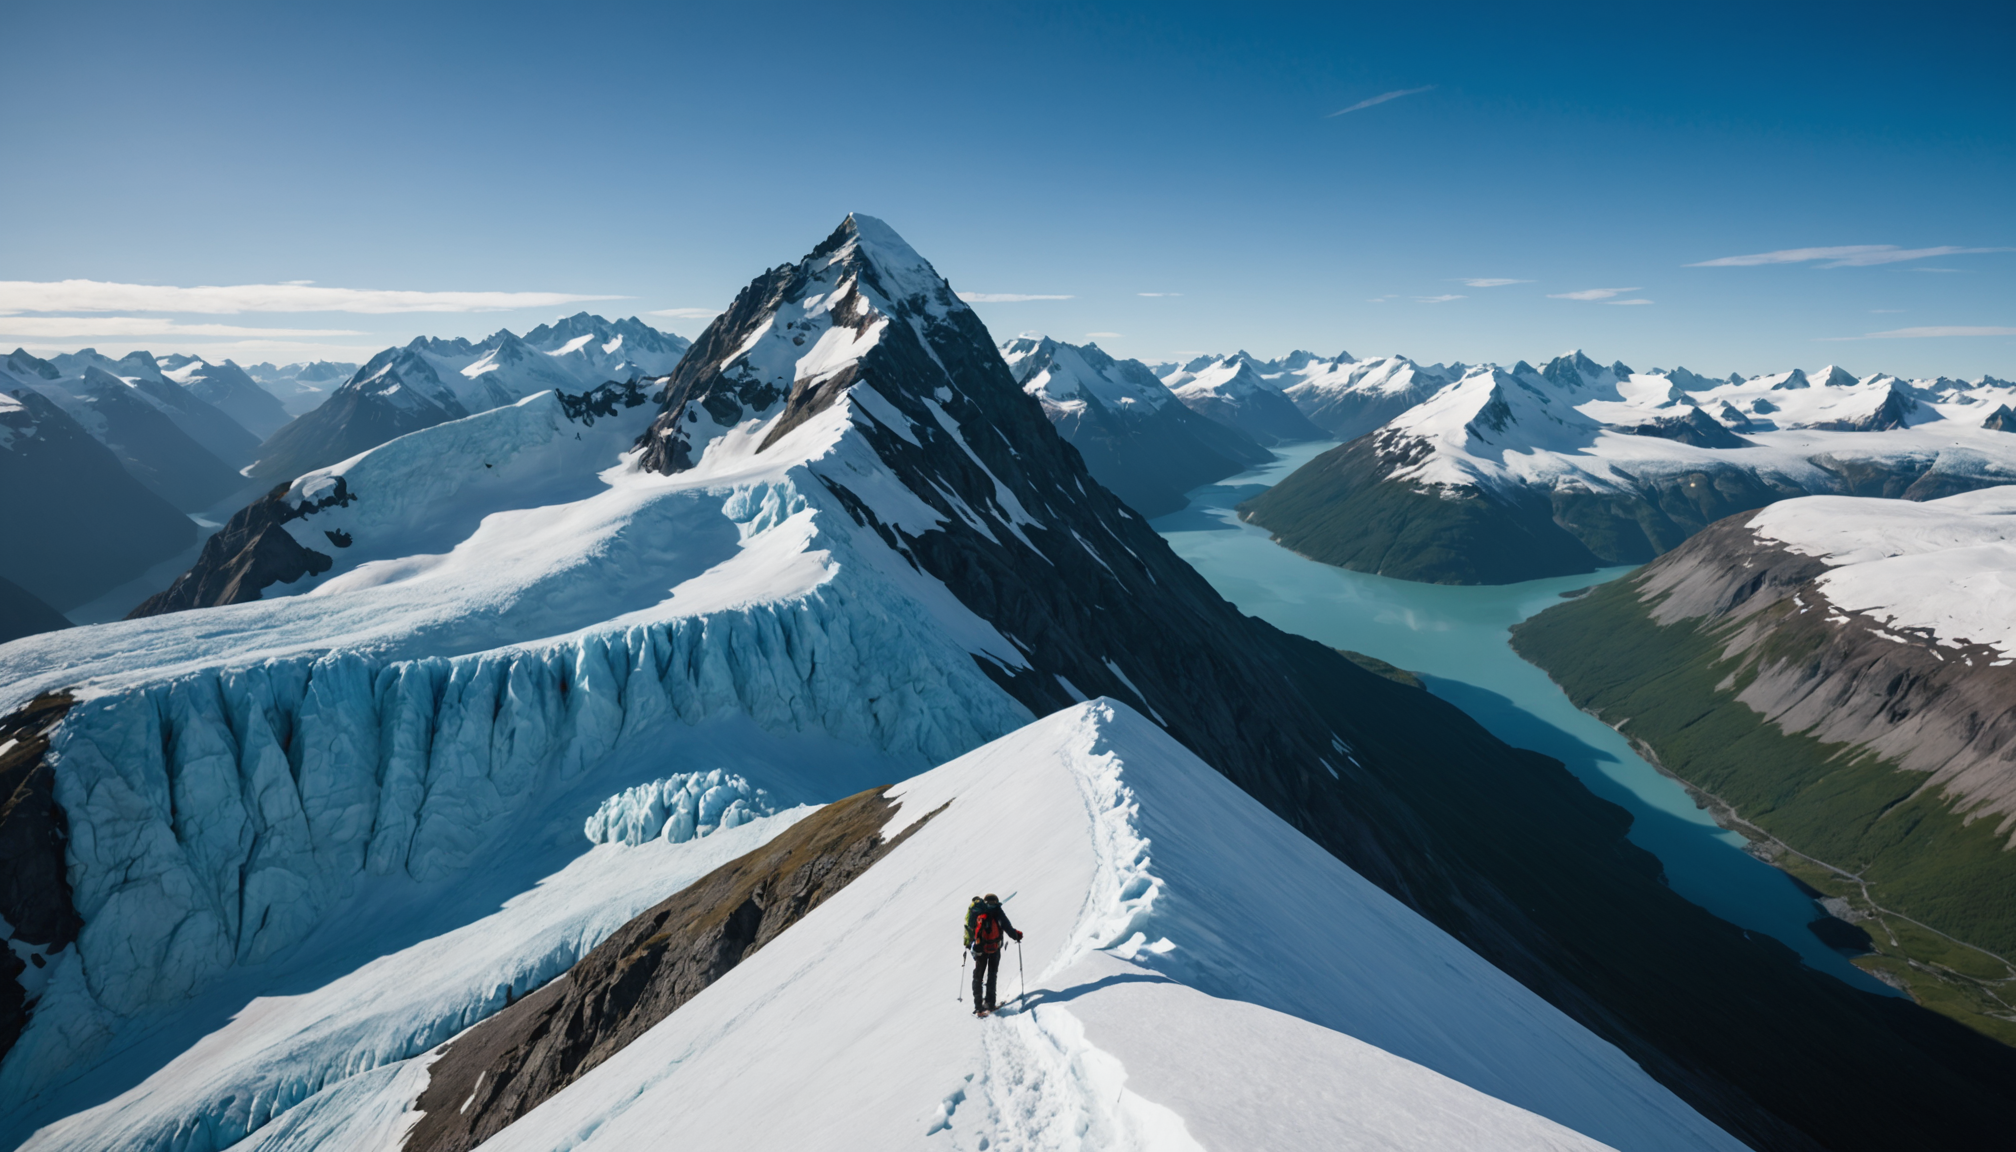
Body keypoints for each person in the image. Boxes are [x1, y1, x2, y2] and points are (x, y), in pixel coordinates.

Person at [964, 893, 1024, 1013]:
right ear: (996, 902)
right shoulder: (997, 911)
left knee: (978, 976)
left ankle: (978, 1006)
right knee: (992, 974)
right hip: (994, 948)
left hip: (980, 949)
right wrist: (1016, 935)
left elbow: (971, 928)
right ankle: (990, 1003)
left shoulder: (979, 911)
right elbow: (1007, 926)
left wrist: (969, 943)